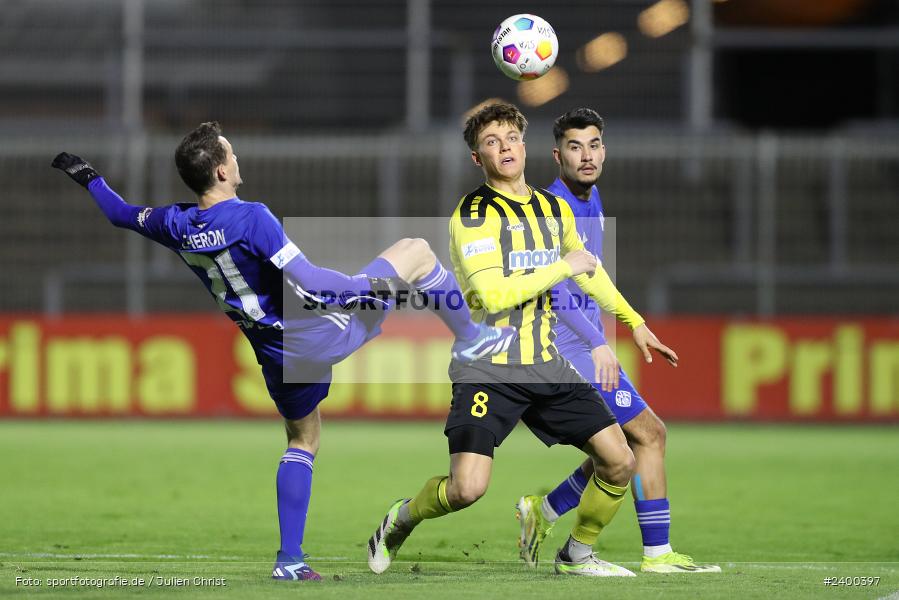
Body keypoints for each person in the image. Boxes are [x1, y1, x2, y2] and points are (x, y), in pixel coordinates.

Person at [51, 121, 516, 582]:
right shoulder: (251, 217)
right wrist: (364, 288)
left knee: (302, 440)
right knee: (416, 251)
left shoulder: (175, 223)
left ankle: (289, 559)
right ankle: (473, 338)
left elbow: (119, 213)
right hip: (316, 331)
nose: (237, 159)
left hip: (273, 353)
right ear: (219, 172)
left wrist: (90, 177)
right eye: (230, 154)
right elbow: (311, 282)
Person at [366, 103, 677, 577]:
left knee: (619, 460)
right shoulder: (472, 216)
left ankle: (577, 554)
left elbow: (589, 272)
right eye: (491, 142)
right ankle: (400, 518)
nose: (504, 147)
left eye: (511, 137)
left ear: (524, 145)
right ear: (478, 158)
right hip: (488, 370)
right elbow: (492, 294)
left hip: (547, 364)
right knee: (467, 488)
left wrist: (633, 321)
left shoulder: (552, 208)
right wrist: (561, 267)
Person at [515, 107, 720, 574]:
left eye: (593, 145)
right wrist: (596, 343)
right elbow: (556, 291)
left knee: (616, 451)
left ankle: (541, 511)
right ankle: (653, 555)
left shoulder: (593, 197)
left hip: (588, 347)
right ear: (557, 154)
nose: (585, 156)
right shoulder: (550, 209)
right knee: (650, 435)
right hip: (566, 351)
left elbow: (593, 273)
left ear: (603, 150)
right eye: (574, 146)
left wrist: (634, 322)